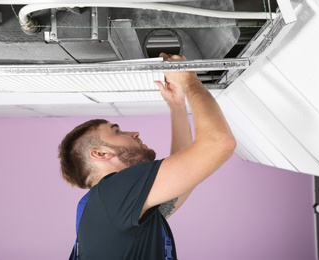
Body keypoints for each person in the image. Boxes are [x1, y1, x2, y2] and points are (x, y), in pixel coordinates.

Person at [58, 53, 236, 260]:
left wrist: (177, 106)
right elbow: (219, 143)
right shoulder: (112, 195)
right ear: (101, 153)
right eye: (117, 131)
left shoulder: (106, 207)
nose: (134, 133)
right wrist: (188, 79)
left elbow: (180, 180)